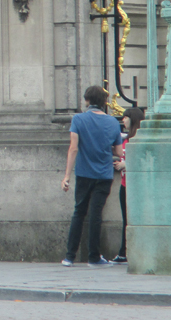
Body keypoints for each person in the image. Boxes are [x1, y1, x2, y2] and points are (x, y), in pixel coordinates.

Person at [61, 85, 124, 267]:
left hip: (83, 173)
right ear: (104, 102)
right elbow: (119, 151)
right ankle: (94, 257)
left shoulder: (78, 119)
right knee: (96, 215)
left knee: (79, 212)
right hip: (104, 173)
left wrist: (66, 176)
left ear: (87, 100)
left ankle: (69, 256)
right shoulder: (113, 122)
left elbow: (73, 148)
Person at [111, 106, 145, 265]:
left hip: (135, 186)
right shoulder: (125, 138)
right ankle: (123, 251)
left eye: (125, 117)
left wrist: (126, 164)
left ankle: (126, 251)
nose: (123, 120)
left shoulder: (139, 138)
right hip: (125, 184)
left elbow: (143, 160)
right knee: (125, 219)